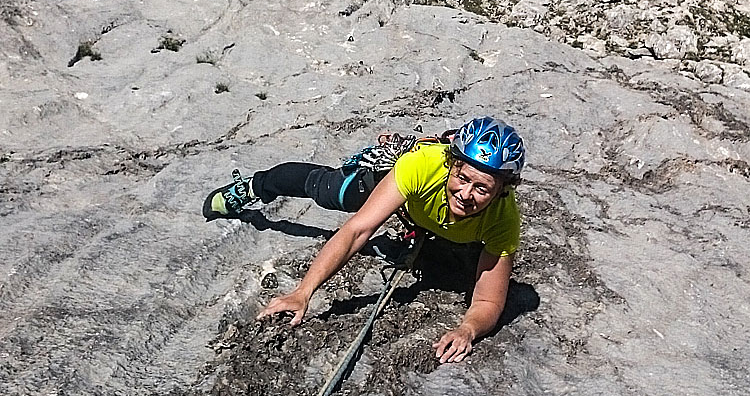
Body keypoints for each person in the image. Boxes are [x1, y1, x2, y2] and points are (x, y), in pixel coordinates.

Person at [202, 117, 525, 363]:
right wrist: (304, 292)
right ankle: (256, 187)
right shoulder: (422, 166)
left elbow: (487, 301)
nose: (466, 194)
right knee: (332, 190)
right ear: (450, 164)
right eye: (462, 178)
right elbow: (357, 231)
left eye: (482, 188)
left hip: (442, 229)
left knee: (449, 265)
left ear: (502, 191)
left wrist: (467, 329)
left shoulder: (503, 220)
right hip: (412, 196)